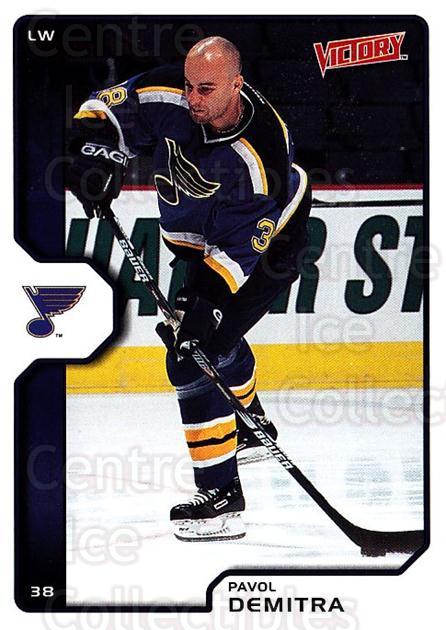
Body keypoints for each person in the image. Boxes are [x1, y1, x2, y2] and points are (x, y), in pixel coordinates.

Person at [68, 36, 312, 542]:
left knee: (193, 353)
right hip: (202, 239)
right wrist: (94, 157)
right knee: (207, 338)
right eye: (189, 86)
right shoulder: (172, 94)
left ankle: (222, 498)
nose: (192, 98)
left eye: (206, 89)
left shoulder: (260, 155)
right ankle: (252, 423)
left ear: (236, 85)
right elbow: (101, 110)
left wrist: (202, 311)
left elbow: (235, 257)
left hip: (268, 248)